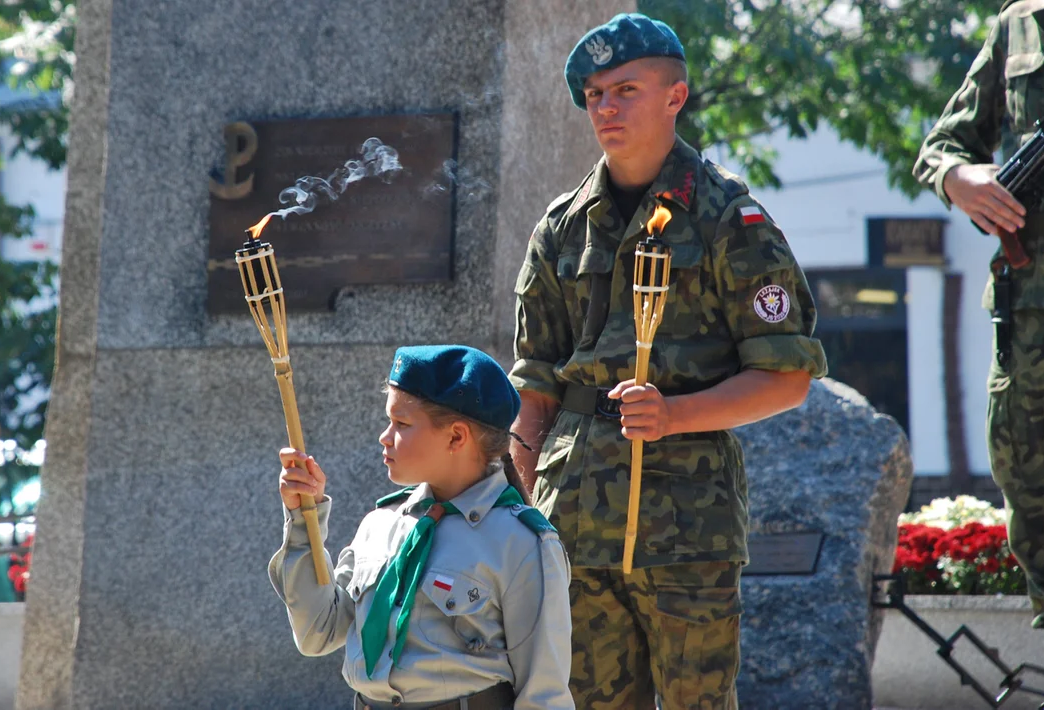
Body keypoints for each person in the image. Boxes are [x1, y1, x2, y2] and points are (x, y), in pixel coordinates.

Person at [507, 13, 828, 710]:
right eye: (595, 95)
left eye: (625, 89)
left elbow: (786, 376)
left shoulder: (727, 220)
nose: (607, 109)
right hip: (575, 523)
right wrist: (528, 510)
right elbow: (534, 387)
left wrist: (674, 413)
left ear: (675, 96)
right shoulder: (561, 227)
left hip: (686, 527)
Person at [269, 344, 575, 710]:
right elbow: (317, 633)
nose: (385, 436)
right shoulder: (381, 524)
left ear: (456, 437)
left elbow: (544, 695)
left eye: (401, 424)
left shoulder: (521, 543)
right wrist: (305, 518)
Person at [914, 0, 1044, 681]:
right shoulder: (1022, 23)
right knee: (1033, 484)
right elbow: (945, 143)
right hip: (1035, 317)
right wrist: (960, 179)